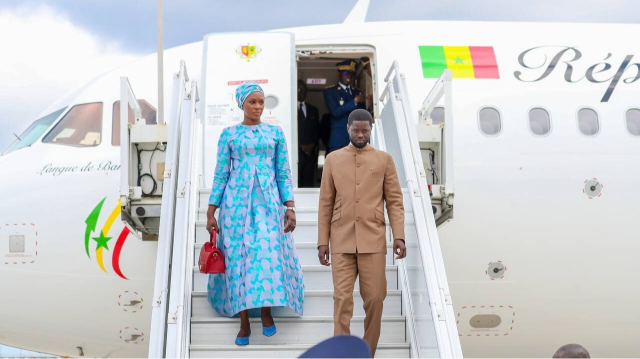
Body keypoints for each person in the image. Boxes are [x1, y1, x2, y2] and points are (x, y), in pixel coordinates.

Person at [206, 81, 304, 346]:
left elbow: (283, 171)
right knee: (238, 258)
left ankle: (266, 312)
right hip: (235, 204)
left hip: (268, 202)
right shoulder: (229, 134)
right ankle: (244, 322)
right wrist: (211, 210)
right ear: (242, 104)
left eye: (261, 102)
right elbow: (220, 173)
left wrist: (290, 206)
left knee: (267, 252)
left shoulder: (274, 133)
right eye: (253, 102)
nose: (258, 107)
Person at [317, 109, 406, 357]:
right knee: (342, 300)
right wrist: (322, 240)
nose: (360, 134)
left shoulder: (384, 159)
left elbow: (395, 201)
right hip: (341, 240)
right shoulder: (333, 159)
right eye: (355, 130)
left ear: (371, 130)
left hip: (373, 239)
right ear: (347, 129)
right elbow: (325, 202)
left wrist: (398, 235)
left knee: (376, 299)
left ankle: (367, 352)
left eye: (364, 131)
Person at [323, 60, 366, 154]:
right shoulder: (330, 92)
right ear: (339, 73)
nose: (349, 75)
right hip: (339, 139)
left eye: (351, 73)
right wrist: (354, 101)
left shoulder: (357, 92)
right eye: (346, 72)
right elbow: (335, 112)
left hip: (357, 139)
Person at [297, 79, 320, 187]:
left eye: (303, 89)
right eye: (299, 89)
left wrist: (312, 145)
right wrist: (300, 146)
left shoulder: (313, 109)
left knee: (308, 183)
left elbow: (316, 130)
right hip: (296, 153)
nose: (301, 92)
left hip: (309, 154)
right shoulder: (290, 109)